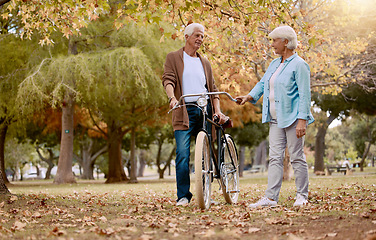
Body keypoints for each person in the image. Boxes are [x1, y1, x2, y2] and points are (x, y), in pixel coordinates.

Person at [236, 26, 315, 208]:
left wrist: (302, 120)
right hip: (275, 119)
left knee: (296, 157)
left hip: (293, 118)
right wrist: (249, 96)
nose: (272, 45)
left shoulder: (300, 65)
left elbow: (304, 94)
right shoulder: (274, 64)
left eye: (274, 41)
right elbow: (263, 83)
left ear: (285, 42)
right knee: (275, 158)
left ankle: (302, 196)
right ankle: (271, 198)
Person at [162, 23, 228, 206]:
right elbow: (168, 80)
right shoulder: (174, 57)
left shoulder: (204, 62)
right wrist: (172, 98)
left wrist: (217, 110)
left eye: (202, 36)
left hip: (203, 110)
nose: (200, 39)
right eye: (197, 36)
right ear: (187, 36)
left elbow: (213, 90)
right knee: (183, 154)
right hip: (183, 110)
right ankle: (183, 195)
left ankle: (205, 193)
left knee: (205, 153)